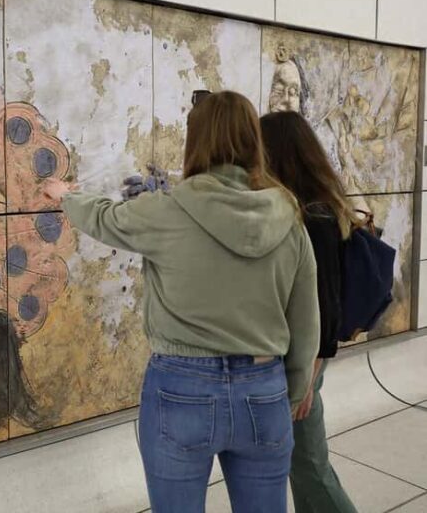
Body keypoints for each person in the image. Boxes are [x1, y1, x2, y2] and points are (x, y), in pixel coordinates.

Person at [44, 91, 319, 513]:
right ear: (254, 141)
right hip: (264, 390)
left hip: (180, 389)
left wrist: (64, 194)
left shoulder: (165, 211)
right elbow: (305, 320)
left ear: (194, 141)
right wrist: (295, 389)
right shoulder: (288, 217)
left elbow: (102, 217)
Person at [261, 110, 358, 513]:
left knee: (310, 465)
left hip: (306, 359)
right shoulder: (307, 208)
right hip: (302, 356)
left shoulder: (314, 219)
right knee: (302, 466)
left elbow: (325, 307)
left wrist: (308, 376)